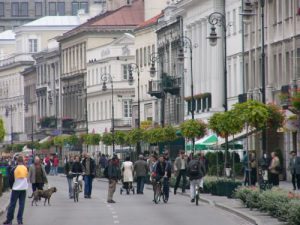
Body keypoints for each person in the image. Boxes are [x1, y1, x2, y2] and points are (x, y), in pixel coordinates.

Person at [4, 155, 28, 225]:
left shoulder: (14, 169)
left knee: (12, 204)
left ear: (17, 161)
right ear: (23, 161)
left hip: (16, 188)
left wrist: (12, 187)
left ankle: (9, 220)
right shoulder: (25, 168)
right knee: (21, 204)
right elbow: (26, 177)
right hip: (23, 188)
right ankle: (19, 220)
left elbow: (10, 180)